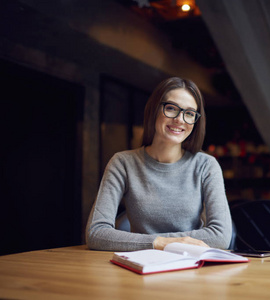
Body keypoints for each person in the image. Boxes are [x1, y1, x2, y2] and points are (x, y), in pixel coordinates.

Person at [86, 77, 232, 251]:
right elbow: (96, 233)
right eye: (171, 108)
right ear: (154, 110)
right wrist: (159, 243)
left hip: (191, 268)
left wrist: (155, 242)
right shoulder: (123, 163)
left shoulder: (206, 166)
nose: (180, 119)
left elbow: (221, 236)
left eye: (190, 113)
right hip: (139, 268)